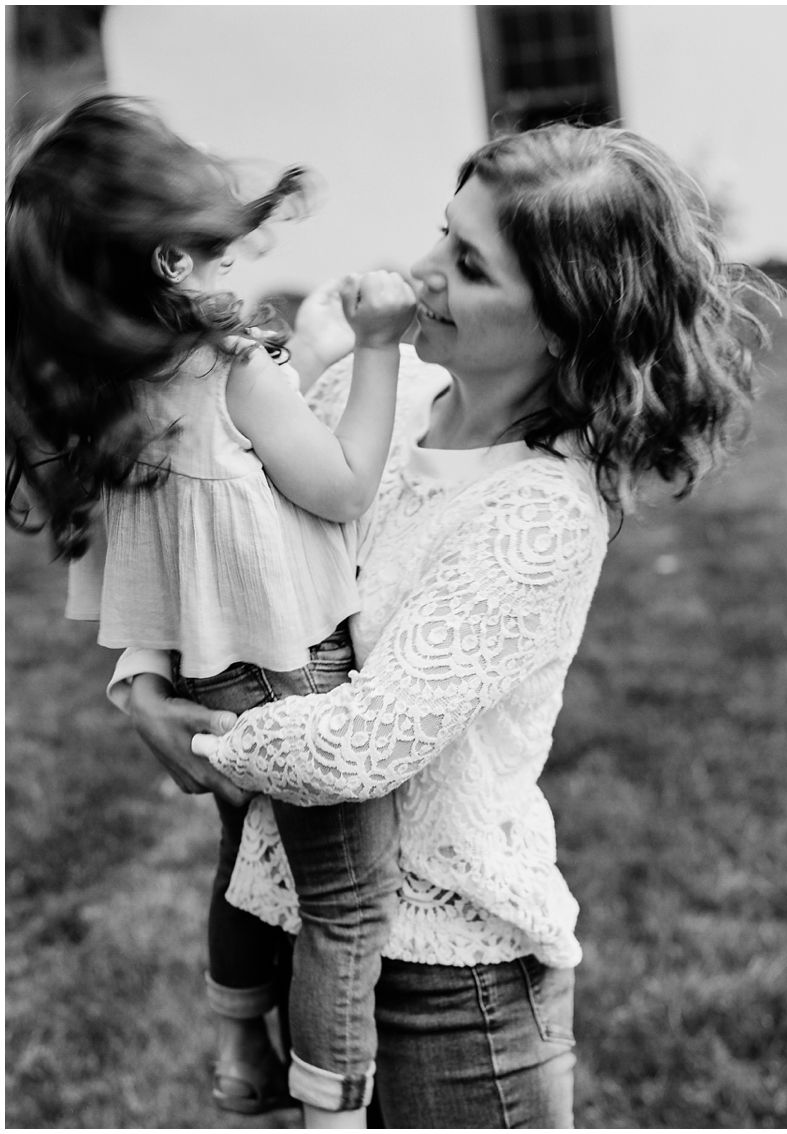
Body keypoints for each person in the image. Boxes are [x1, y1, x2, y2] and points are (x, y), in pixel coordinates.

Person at [115, 119, 777, 1127]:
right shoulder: (374, 388)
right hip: (304, 925)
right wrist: (140, 683)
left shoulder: (540, 512)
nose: (421, 272)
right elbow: (226, 547)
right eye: (441, 233)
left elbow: (360, 745)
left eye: (468, 266)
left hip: (453, 991)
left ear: (564, 322)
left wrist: (198, 735)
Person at [6, 94, 419, 1126]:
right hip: (295, 671)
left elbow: (224, 461)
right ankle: (334, 1110)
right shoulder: (227, 369)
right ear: (168, 261)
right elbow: (339, 486)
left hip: (207, 676)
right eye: (213, 242)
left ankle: (240, 1048)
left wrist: (304, 358)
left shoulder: (107, 389)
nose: (231, 257)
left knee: (248, 864)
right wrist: (376, 348)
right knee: (344, 904)